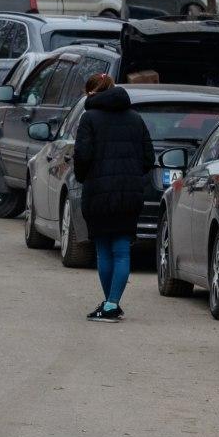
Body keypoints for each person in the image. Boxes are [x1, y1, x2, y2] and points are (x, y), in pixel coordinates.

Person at [73, 74, 154, 323]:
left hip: (98, 193)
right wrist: (131, 177)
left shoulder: (89, 118)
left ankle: (109, 304)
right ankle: (111, 303)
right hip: (129, 194)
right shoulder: (136, 119)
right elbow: (148, 158)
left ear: (93, 93)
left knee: (103, 250)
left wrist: (84, 176)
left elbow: (82, 156)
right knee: (121, 250)